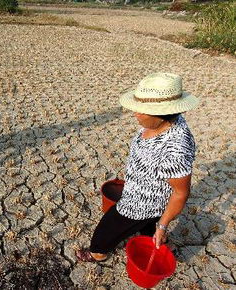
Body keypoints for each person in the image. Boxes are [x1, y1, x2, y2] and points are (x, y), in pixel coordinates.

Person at [76, 73, 199, 262]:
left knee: (106, 230)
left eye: (142, 110)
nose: (136, 113)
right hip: (140, 192)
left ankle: (97, 253)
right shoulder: (160, 123)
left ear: (163, 113)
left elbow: (180, 193)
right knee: (148, 227)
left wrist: (163, 226)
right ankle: (158, 241)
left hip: (141, 204)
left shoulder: (175, 150)